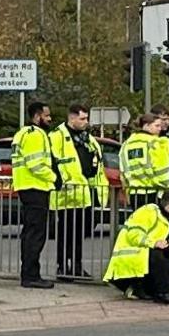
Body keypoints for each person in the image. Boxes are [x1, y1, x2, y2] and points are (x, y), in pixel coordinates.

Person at [104, 187, 169, 304]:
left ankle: (143, 290)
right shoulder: (149, 211)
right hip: (128, 262)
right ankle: (162, 293)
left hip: (148, 265)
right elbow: (133, 234)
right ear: (168, 208)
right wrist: (153, 243)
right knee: (155, 254)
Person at [48, 105, 106, 279]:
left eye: (87, 118)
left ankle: (77, 266)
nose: (85, 122)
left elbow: (97, 163)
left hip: (85, 193)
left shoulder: (87, 138)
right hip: (66, 193)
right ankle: (62, 267)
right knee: (65, 233)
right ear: (71, 118)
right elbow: (52, 162)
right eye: (82, 119)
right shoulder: (57, 136)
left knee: (80, 234)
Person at [10, 102, 57, 289]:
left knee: (29, 233)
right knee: (36, 234)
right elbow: (36, 165)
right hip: (36, 187)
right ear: (37, 116)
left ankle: (29, 273)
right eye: (47, 116)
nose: (49, 119)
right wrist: (54, 178)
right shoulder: (35, 135)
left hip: (26, 187)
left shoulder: (22, 133)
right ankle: (31, 276)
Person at [119, 112, 169, 208]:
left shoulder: (126, 144)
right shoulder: (155, 143)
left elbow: (123, 171)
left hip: (134, 193)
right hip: (153, 192)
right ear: (146, 126)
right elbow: (162, 171)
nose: (160, 128)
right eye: (157, 125)